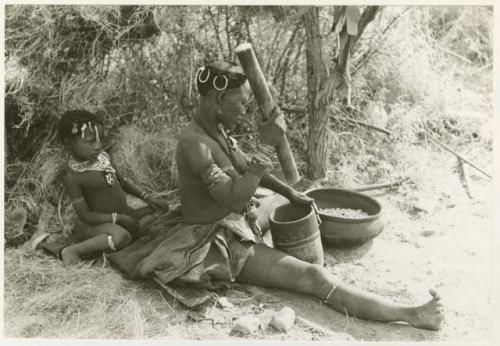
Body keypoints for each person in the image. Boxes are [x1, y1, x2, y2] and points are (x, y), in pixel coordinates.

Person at [171, 61, 444, 330]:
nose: (245, 110)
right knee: (315, 277)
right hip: (218, 243)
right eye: (241, 103)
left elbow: (244, 168)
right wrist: (266, 147)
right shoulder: (193, 144)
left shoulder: (216, 131)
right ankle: (413, 315)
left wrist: (292, 193)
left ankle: (293, 235)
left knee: (288, 200)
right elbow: (236, 200)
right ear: (219, 98)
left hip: (233, 219)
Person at [55, 109, 169, 265]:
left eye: (100, 139)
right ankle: (75, 250)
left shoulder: (104, 158)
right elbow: (85, 215)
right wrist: (118, 218)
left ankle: (121, 239)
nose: (97, 146)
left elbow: (122, 182)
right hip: (96, 224)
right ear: (69, 144)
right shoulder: (74, 176)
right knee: (121, 237)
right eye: (90, 141)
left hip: (124, 214)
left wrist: (147, 198)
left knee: (161, 211)